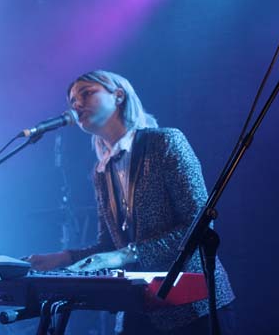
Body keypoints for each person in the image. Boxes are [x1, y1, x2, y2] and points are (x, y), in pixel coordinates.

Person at [26, 70, 236, 334]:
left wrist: (127, 254)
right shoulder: (101, 172)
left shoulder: (165, 142)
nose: (76, 105)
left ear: (118, 96)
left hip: (194, 307)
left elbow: (200, 227)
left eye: (86, 93)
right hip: (139, 307)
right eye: (72, 102)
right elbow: (108, 248)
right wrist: (62, 258)